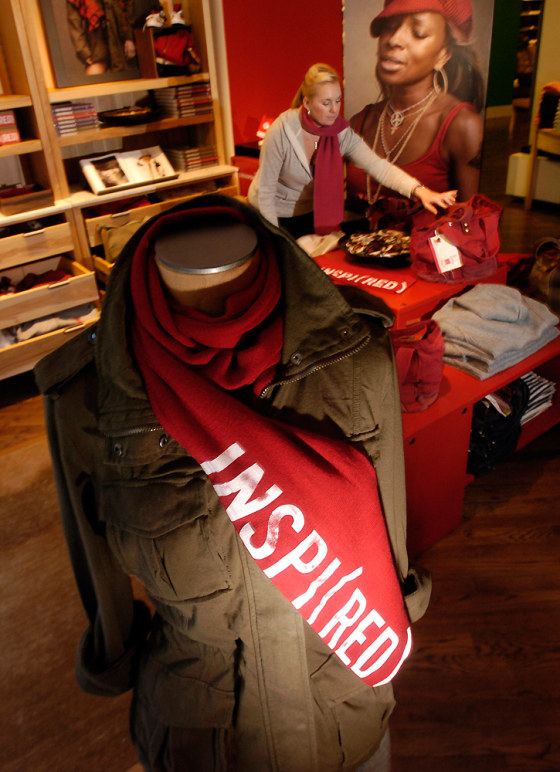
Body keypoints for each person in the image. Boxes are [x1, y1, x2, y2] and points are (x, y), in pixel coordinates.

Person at [35, 193, 432, 771]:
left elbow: (387, 521)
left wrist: (397, 607)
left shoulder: (356, 351)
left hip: (344, 707)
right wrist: (113, 646)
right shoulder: (87, 399)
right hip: (202, 733)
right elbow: (96, 567)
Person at [248, 63, 456, 239]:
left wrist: (421, 191)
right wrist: (276, 240)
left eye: (337, 100)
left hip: (308, 212)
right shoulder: (282, 130)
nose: (334, 110)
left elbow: (378, 166)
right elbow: (266, 193)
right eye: (326, 103)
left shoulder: (340, 133)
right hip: (268, 211)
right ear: (307, 102)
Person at [346, 0, 485, 223]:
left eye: (418, 33)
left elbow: (469, 227)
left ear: (444, 54)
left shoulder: (461, 125)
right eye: (391, 26)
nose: (393, 40)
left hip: (426, 257)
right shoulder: (361, 121)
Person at [66, 0, 137, 75]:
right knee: (93, 80)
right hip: (97, 39)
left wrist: (129, 37)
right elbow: (74, 21)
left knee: (125, 77)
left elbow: (129, 7)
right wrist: (83, 51)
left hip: (121, 35)